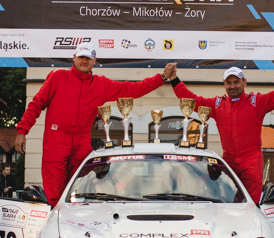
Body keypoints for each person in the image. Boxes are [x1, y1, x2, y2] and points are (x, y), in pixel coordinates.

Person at [14, 43, 171, 206]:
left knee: (81, 192)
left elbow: (133, 89)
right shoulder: (57, 77)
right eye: (81, 57)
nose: (84, 61)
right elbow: (36, 104)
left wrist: (162, 77)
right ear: (74, 58)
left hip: (82, 142)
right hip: (56, 139)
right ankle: (56, 224)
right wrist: (22, 131)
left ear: (94, 60)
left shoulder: (102, 85)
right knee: (56, 195)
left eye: (88, 58)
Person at [164, 54, 274, 203]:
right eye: (228, 83)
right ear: (224, 84)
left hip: (251, 159)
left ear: (244, 82)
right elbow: (192, 101)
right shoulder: (218, 105)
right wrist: (174, 80)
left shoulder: (256, 102)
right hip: (228, 159)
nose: (232, 86)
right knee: (226, 201)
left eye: (236, 82)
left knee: (250, 202)